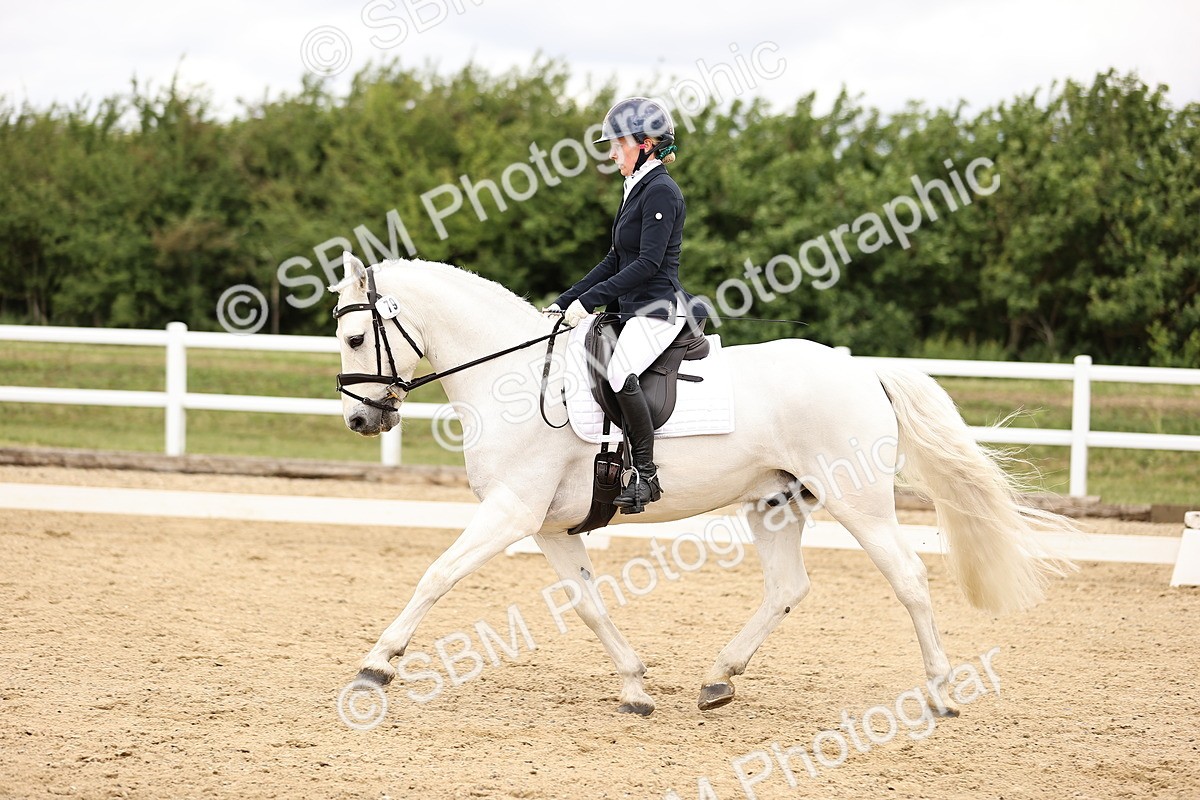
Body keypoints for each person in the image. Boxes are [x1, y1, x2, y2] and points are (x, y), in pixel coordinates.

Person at [544, 96, 707, 514]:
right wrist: (567, 301)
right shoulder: (634, 187)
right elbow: (616, 258)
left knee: (618, 371)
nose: (611, 152)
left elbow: (649, 263)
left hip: (658, 307)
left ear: (646, 144)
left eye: (618, 144)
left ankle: (647, 476)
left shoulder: (662, 191)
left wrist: (589, 302)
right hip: (629, 307)